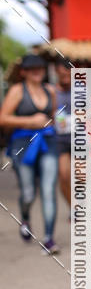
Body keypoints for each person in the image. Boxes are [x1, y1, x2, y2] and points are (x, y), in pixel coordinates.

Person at [0, 53, 60, 253]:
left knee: (48, 188)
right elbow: (3, 119)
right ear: (24, 72)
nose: (37, 72)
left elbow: (52, 117)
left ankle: (49, 238)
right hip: (23, 143)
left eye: (41, 68)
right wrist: (29, 121)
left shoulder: (50, 90)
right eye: (33, 68)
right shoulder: (17, 91)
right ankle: (25, 218)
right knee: (28, 192)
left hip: (48, 141)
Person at [54, 59, 73, 215]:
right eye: (62, 73)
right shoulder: (52, 92)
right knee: (64, 176)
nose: (65, 76)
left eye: (68, 73)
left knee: (81, 177)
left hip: (79, 138)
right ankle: (73, 208)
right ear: (56, 73)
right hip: (59, 140)